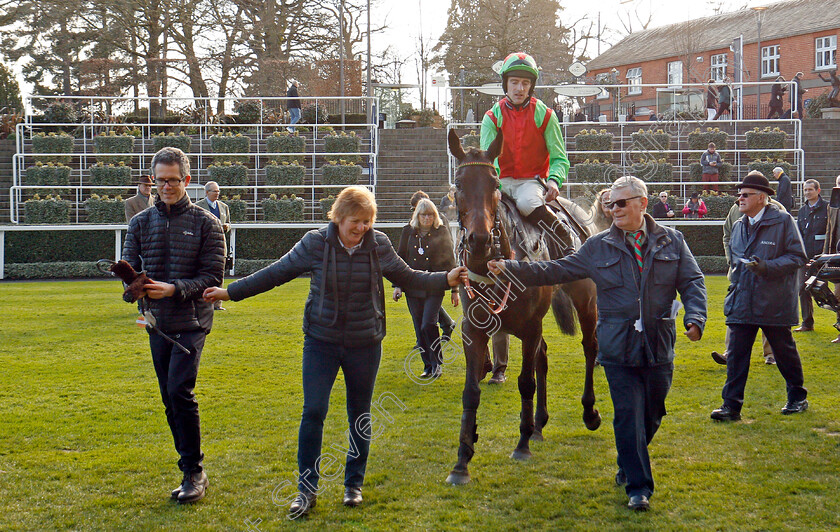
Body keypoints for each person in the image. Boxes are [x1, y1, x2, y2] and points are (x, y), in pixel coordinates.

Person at [203, 186, 465, 514]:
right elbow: (276, 273)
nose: (362, 228)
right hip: (321, 342)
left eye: (368, 221)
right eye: (356, 221)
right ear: (338, 217)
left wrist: (446, 279)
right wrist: (231, 293)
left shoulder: (379, 244)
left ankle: (353, 485)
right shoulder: (315, 243)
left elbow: (409, 277)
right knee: (313, 411)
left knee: (360, 414)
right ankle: (306, 490)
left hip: (365, 342)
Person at [487, 176, 706, 512]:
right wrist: (512, 268)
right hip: (617, 346)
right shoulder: (596, 246)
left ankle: (630, 458)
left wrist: (696, 316)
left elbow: (692, 281)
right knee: (628, 415)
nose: (612, 209)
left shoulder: (672, 242)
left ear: (642, 203)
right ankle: (638, 487)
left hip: (659, 343)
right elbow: (554, 269)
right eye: (610, 204)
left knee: (653, 411)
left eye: (621, 203)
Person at [122, 147, 226, 504]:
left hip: (193, 321)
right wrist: (132, 285)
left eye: (173, 180)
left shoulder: (206, 223)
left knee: (180, 391)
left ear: (187, 180)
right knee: (169, 397)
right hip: (156, 322)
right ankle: (189, 465)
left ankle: (193, 471)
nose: (165, 186)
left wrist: (174, 289)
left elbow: (213, 277)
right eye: (159, 180)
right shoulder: (139, 223)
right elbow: (129, 269)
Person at [710, 171, 808, 422]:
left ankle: (798, 398)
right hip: (742, 300)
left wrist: (767, 267)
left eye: (745, 195)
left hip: (773, 302)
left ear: (762, 198)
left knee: (784, 353)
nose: (739, 199)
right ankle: (731, 407)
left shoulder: (784, 221)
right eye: (738, 195)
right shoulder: (740, 224)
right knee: (736, 357)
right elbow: (735, 256)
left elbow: (798, 257)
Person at [480, 52, 573, 253]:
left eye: (525, 83)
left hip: (531, 182)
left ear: (531, 86)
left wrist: (554, 180)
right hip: (500, 181)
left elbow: (559, 157)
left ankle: (567, 245)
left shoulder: (546, 115)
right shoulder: (491, 117)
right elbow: (489, 161)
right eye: (514, 82)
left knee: (527, 203)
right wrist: (493, 185)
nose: (519, 88)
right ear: (506, 84)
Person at [711, 195, 787, 366]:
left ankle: (771, 354)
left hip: (766, 275)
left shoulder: (778, 210)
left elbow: (785, 242)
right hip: (741, 276)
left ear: (760, 195)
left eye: (747, 193)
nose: (742, 197)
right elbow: (727, 235)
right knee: (736, 314)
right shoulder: (735, 209)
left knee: (768, 314)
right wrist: (731, 261)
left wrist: (772, 266)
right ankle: (730, 353)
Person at [394, 198, 458, 377]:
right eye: (424, 215)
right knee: (418, 327)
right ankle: (427, 365)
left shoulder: (441, 231)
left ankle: (437, 363)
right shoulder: (408, 232)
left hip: (435, 284)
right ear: (417, 215)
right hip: (412, 285)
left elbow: (449, 260)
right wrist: (398, 285)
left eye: (430, 215)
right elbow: (401, 259)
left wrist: (454, 290)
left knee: (428, 324)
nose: (427, 218)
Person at [410, 190, 456, 341]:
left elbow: (448, 251)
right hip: (419, 277)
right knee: (425, 308)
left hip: (436, 275)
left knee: (430, 310)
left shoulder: (440, 223)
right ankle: (444, 325)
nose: (424, 215)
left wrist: (454, 289)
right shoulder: (412, 228)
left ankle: (439, 330)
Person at [795, 179, 828, 332]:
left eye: (810, 190)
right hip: (805, 257)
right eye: (805, 190)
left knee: (828, 292)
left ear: (818, 190)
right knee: (802, 288)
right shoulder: (802, 211)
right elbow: (799, 234)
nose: (807, 192)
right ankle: (807, 324)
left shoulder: (828, 208)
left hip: (824, 258)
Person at [196, 181, 232, 311]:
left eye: (218, 191)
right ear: (207, 192)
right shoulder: (198, 207)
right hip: (204, 247)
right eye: (214, 191)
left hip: (220, 246)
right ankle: (202, 302)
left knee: (219, 274)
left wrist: (227, 226)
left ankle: (217, 304)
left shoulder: (223, 207)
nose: (217, 194)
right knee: (203, 274)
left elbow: (228, 223)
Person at [822, 175, 840, 342]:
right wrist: (825, 255)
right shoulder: (833, 207)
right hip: (837, 258)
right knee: (838, 296)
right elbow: (830, 231)